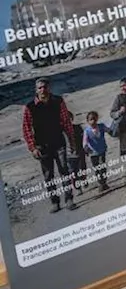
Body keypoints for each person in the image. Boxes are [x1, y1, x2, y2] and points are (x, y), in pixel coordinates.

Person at [21, 78, 77, 212]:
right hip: (42, 146)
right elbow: (26, 128)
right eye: (39, 88)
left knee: (64, 171)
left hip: (58, 142)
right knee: (48, 176)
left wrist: (72, 141)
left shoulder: (58, 101)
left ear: (49, 88)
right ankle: (55, 202)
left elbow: (66, 122)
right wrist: (32, 147)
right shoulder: (30, 107)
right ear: (36, 90)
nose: (42, 90)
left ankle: (69, 199)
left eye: (44, 87)